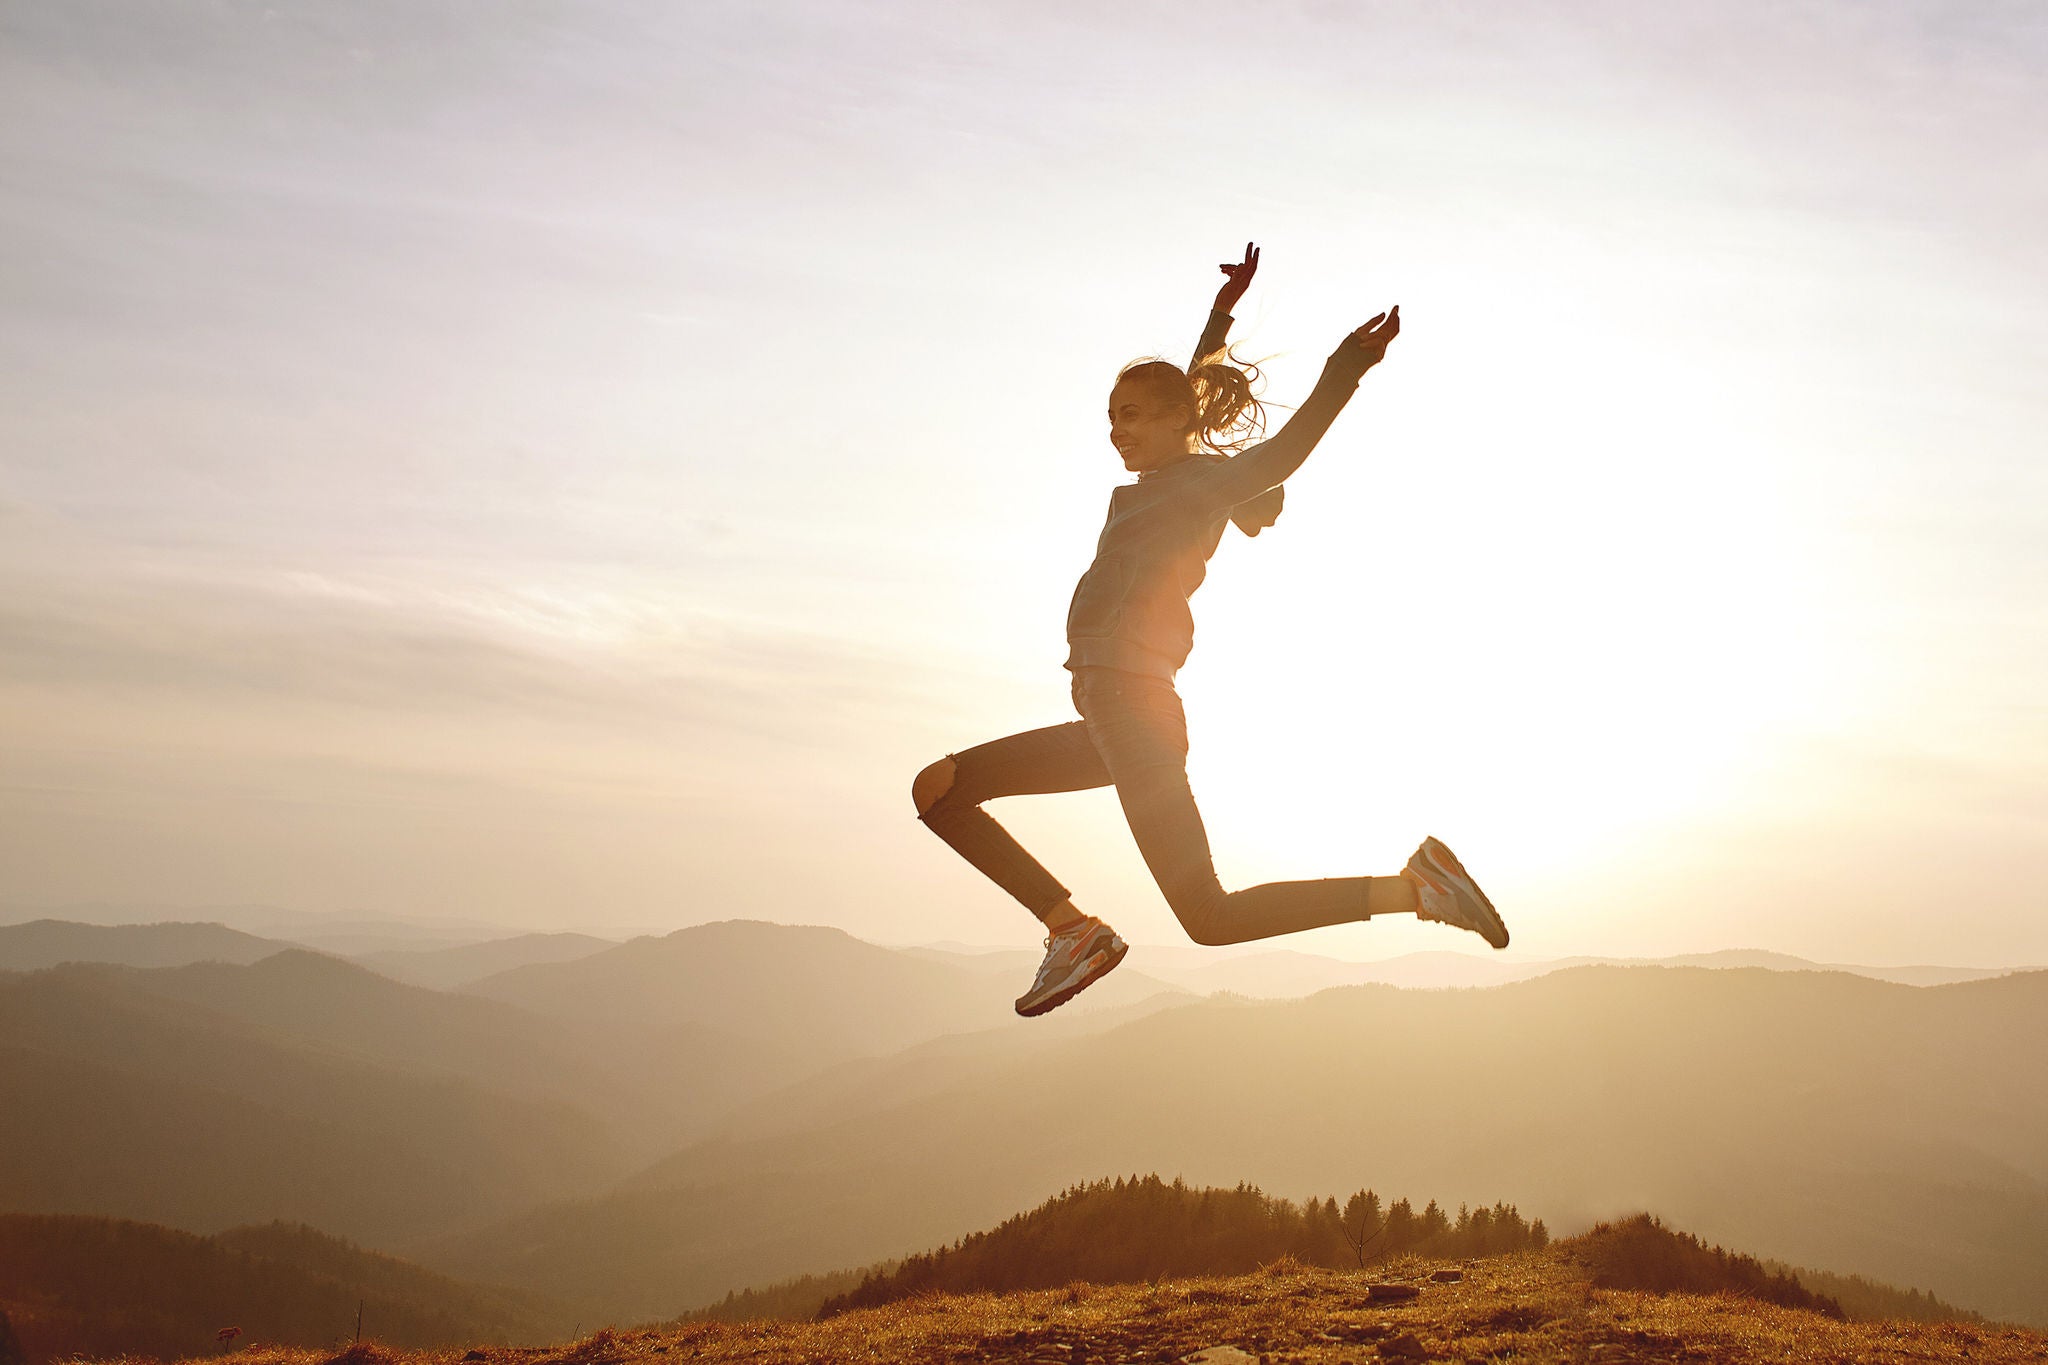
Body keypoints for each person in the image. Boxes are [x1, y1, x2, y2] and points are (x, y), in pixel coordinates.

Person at [913, 243, 1507, 1018]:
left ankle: (1418, 887)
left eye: (1130, 416)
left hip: (1135, 708)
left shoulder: (1200, 487)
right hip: (1105, 713)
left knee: (1209, 917)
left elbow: (1286, 448)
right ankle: (1073, 929)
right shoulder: (1164, 479)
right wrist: (1221, 313)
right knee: (942, 789)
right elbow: (1192, 393)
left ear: (1170, 422)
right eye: (1111, 417)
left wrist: (1345, 369)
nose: (1116, 431)